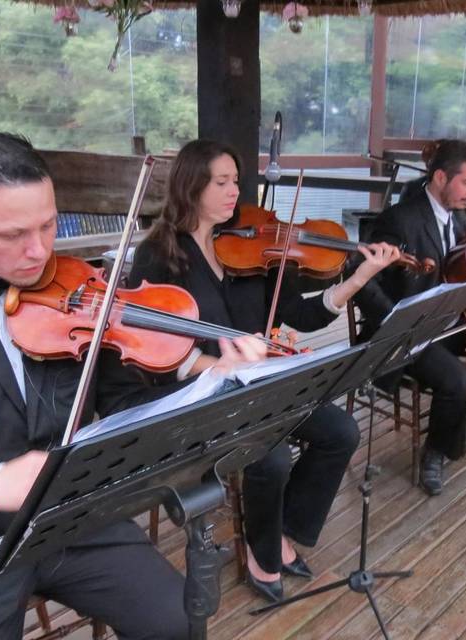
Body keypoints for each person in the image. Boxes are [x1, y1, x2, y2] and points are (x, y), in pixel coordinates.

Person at [0, 131, 265, 640]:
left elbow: (126, 402)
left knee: (177, 622)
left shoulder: (80, 294)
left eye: (48, 225)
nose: (38, 252)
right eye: (12, 235)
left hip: (74, 519)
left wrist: (212, 377)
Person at [127, 139, 400, 604]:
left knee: (341, 430)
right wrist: (218, 365)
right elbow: (150, 343)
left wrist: (356, 280)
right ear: (191, 186)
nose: (235, 191)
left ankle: (283, 531)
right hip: (203, 387)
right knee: (269, 456)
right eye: (222, 182)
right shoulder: (159, 257)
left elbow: (303, 314)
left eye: (236, 180)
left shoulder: (254, 244)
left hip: (261, 380)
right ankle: (262, 550)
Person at [354, 139, 466, 497]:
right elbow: (364, 284)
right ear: (441, 177)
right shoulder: (399, 219)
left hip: (446, 321)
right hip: (405, 333)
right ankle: (435, 453)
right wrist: (397, 323)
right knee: (461, 381)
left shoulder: (464, 216)